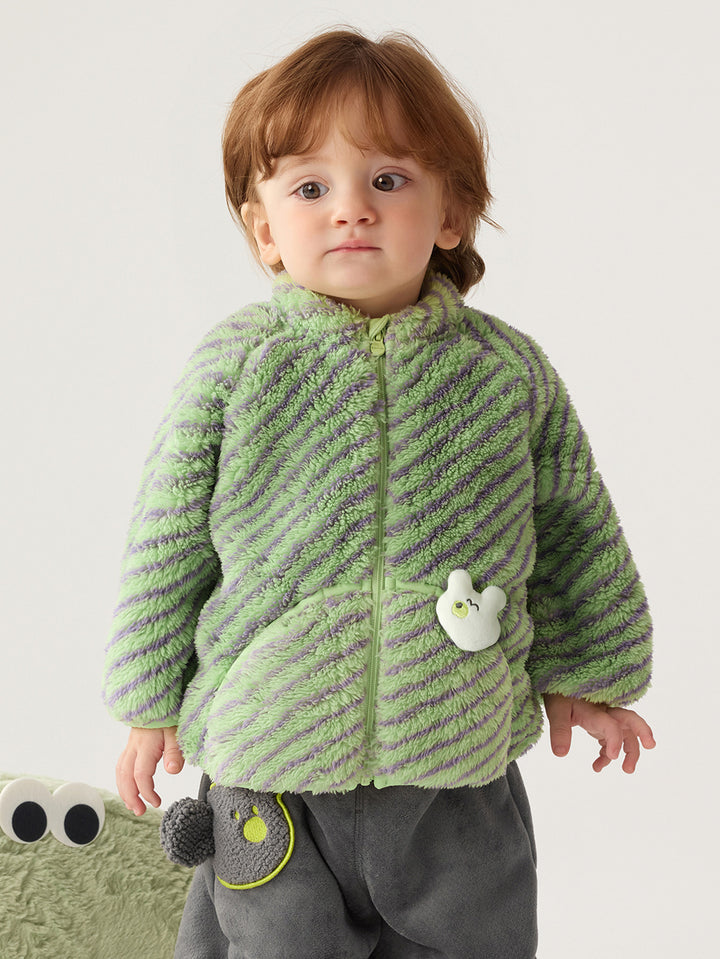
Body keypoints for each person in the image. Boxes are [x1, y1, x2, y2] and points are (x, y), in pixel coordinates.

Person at [103, 27, 655, 959]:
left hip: (453, 760)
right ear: (264, 229)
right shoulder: (240, 367)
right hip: (272, 762)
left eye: (388, 180)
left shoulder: (505, 373)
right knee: (274, 942)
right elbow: (168, 536)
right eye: (310, 188)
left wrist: (588, 674)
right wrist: (147, 699)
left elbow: (572, 527)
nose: (352, 209)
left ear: (451, 213)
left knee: (472, 939)